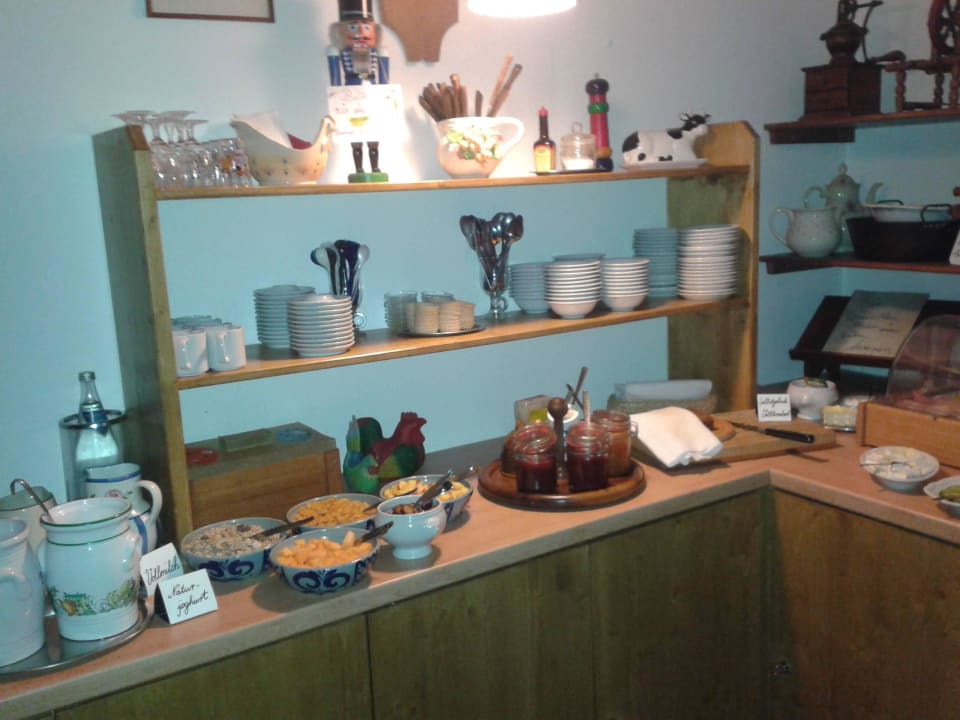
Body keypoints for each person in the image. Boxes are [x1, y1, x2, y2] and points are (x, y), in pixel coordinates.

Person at [328, 0, 390, 182]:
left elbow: (384, 78)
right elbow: (335, 79)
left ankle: (375, 166)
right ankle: (359, 167)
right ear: (341, 32)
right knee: (354, 136)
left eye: (367, 27)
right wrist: (336, 97)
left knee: (374, 136)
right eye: (353, 27)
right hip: (350, 95)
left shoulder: (377, 53)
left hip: (372, 95)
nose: (361, 33)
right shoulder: (341, 53)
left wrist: (386, 96)